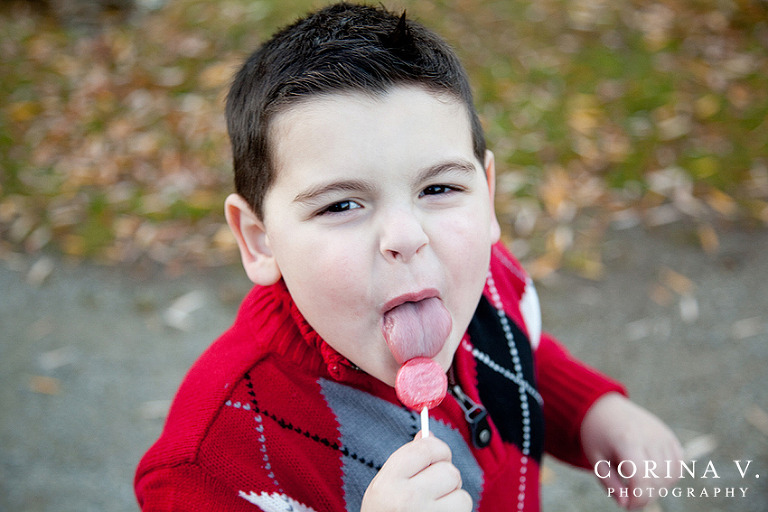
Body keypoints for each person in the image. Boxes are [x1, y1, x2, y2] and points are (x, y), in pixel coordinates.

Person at [135, 3, 682, 511]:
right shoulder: (207, 466)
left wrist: (592, 412)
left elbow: (519, 359)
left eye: (438, 189)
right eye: (343, 204)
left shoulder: (489, 282)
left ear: (487, 195)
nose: (406, 236)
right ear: (259, 240)